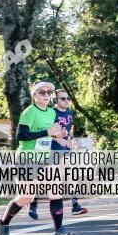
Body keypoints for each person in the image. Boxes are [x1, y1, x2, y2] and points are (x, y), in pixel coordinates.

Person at [0, 81, 72, 235]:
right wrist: (47, 132)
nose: (46, 95)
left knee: (55, 191)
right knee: (26, 197)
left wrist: (57, 135)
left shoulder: (51, 113)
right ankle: (3, 223)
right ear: (34, 96)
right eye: (41, 92)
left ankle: (59, 231)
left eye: (48, 92)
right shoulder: (28, 113)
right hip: (26, 160)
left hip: (45, 159)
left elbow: (49, 134)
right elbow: (20, 136)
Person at [27, 89, 87, 219]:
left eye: (68, 99)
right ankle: (32, 204)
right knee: (44, 180)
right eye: (63, 99)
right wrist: (56, 138)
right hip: (50, 149)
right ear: (55, 100)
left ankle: (75, 205)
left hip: (65, 150)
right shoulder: (50, 113)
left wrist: (72, 140)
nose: (67, 101)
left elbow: (68, 131)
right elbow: (43, 131)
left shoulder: (70, 113)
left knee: (72, 174)